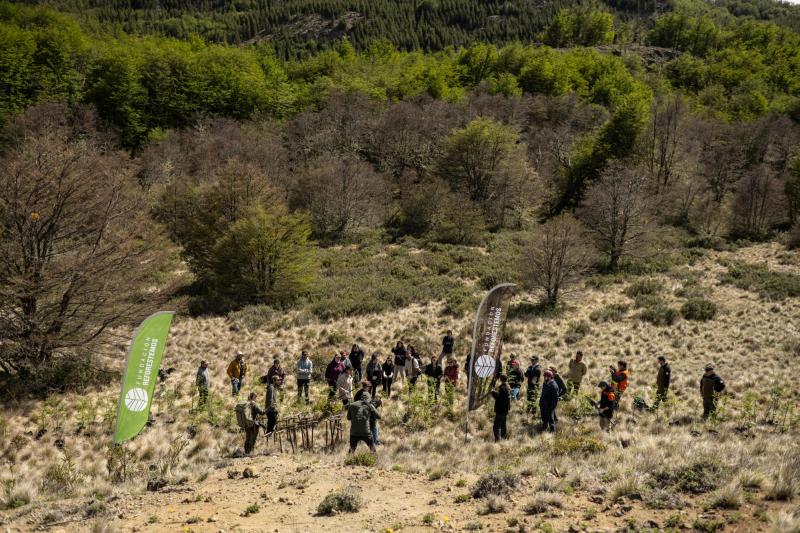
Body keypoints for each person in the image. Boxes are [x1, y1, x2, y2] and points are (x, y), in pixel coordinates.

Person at [491, 374, 511, 441]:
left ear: (500, 379)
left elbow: (499, 398)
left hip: (500, 410)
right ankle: (504, 439)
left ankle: (497, 440)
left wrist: (493, 393)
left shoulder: (503, 388)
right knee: (503, 425)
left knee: (496, 427)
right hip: (505, 410)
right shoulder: (507, 387)